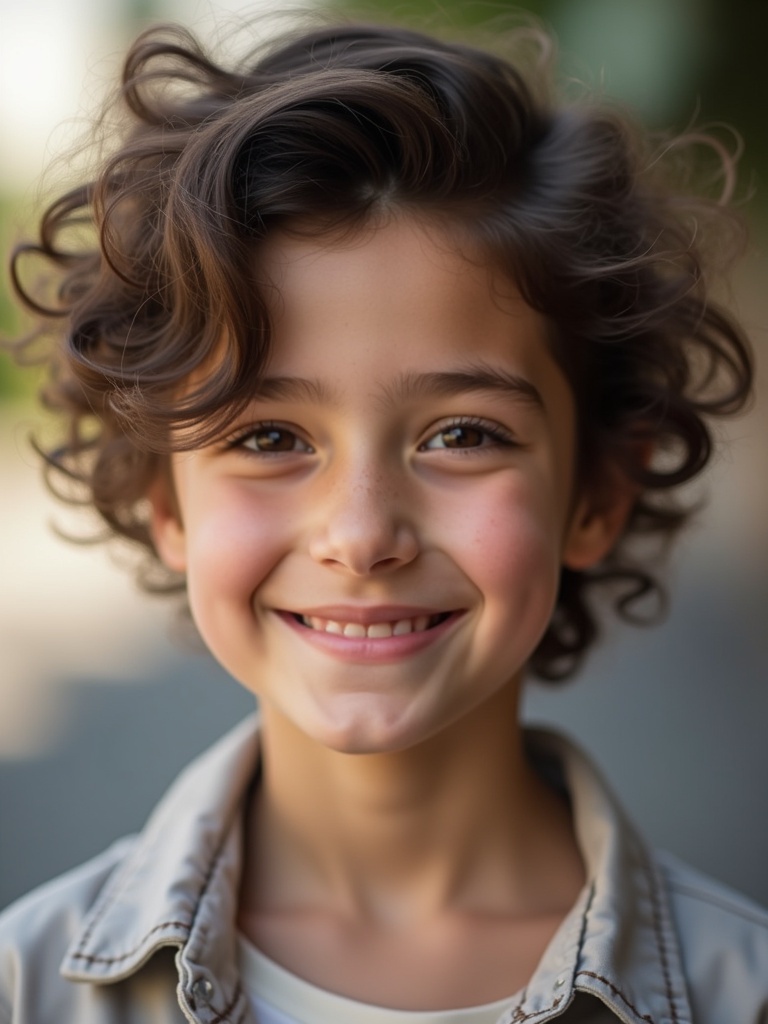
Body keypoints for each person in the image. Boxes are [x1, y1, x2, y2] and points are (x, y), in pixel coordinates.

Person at [1, 15, 766, 1024]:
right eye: (269, 439)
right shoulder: (28, 984)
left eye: (461, 434)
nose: (361, 536)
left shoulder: (739, 991)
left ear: (596, 496)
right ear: (163, 502)